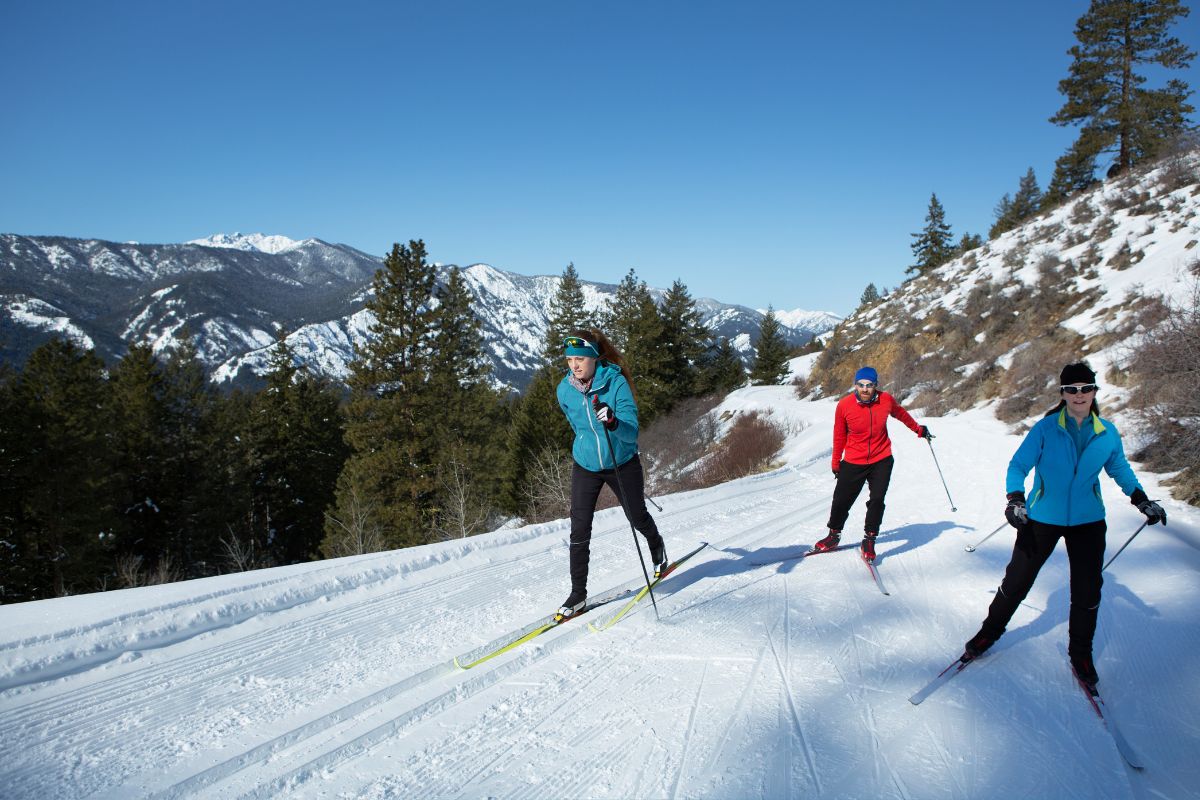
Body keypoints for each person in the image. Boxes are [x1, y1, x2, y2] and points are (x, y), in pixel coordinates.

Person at [962, 362, 1167, 687]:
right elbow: (1018, 465)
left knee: (1087, 592)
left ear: (1094, 391)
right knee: (1016, 582)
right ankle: (988, 634)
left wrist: (1141, 498)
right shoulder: (1045, 429)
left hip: (1088, 521)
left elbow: (1119, 468)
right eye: (1072, 389)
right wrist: (1016, 499)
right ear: (1063, 393)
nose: (1079, 394)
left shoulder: (1106, 433)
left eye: (1086, 388)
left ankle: (1081, 654)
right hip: (1042, 517)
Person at [554, 329, 667, 620]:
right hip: (586, 465)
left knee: (637, 515)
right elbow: (577, 427)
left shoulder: (615, 383)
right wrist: (586, 446)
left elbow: (632, 432)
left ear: (593, 357)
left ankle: (658, 548)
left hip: (621, 461)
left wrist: (614, 421)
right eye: (569, 359)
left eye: (579, 358)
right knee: (579, 529)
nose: (574, 365)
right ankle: (577, 595)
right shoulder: (564, 390)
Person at [813, 366, 932, 562]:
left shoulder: (885, 400)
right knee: (841, 499)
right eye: (861, 385)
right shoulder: (844, 405)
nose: (865, 389)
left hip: (881, 458)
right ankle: (833, 535)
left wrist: (918, 429)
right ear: (855, 385)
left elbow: (901, 413)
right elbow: (839, 434)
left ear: (875, 386)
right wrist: (836, 462)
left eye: (869, 385)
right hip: (854, 460)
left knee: (877, 499)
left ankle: (869, 538)